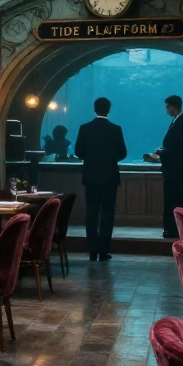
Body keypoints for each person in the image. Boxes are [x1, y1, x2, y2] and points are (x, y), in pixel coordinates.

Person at [74, 97, 127, 261]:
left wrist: (90, 158)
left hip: (91, 177)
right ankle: (104, 251)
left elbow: (78, 152)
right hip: (110, 177)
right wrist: (110, 159)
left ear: (94, 109)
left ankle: (92, 250)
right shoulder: (116, 129)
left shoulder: (85, 128)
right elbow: (123, 153)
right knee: (107, 214)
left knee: (91, 213)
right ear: (109, 109)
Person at [159, 94, 183, 239]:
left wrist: (163, 152)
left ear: (174, 107)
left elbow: (181, 148)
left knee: (174, 199)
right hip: (171, 169)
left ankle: (173, 229)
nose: (166, 109)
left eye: (168, 106)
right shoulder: (176, 122)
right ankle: (170, 228)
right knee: (170, 199)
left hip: (176, 170)